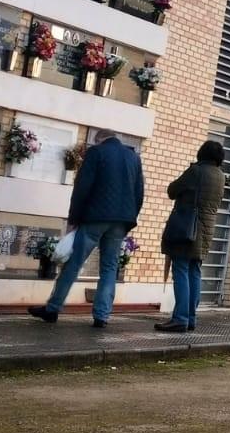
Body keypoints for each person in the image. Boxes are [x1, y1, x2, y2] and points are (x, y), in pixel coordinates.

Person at [29, 130, 144, 328]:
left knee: (74, 263)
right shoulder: (133, 157)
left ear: (98, 139)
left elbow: (82, 188)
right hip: (121, 221)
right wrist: (129, 218)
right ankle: (102, 316)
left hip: (95, 218)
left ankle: (53, 308)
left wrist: (73, 218)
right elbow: (139, 192)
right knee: (109, 268)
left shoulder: (96, 153)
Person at [155, 140, 225, 332]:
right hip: (206, 230)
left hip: (187, 229)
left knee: (181, 270)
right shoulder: (220, 176)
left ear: (201, 153)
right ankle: (191, 318)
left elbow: (172, 190)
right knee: (195, 271)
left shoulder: (196, 171)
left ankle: (180, 318)